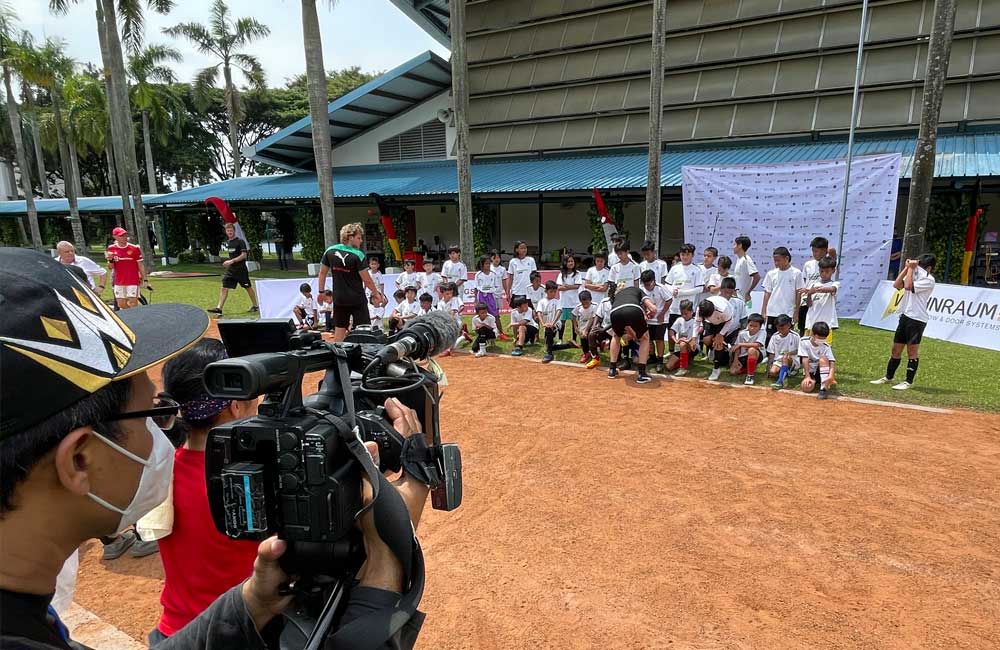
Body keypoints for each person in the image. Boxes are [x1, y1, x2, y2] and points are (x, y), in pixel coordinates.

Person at [0, 249, 428, 650]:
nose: (163, 431)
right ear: (80, 460)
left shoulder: (23, 614)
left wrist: (252, 602)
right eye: (154, 414)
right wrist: (386, 560)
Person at [151, 339, 261, 645]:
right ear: (235, 407)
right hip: (238, 634)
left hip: (175, 635)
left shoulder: (160, 471)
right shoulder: (254, 478)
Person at [870, 254, 937, 390]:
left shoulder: (929, 280)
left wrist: (911, 269)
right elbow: (897, 284)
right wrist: (906, 268)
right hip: (905, 315)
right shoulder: (913, 273)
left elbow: (908, 286)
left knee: (912, 351)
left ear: (929, 268)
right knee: (896, 349)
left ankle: (908, 381)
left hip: (917, 319)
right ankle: (888, 377)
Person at [317, 223, 386, 342]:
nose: (361, 241)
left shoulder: (330, 251)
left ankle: (337, 351)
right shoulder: (358, 255)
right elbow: (367, 280)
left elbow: (322, 273)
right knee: (364, 331)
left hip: (339, 298)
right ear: (350, 237)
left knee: (339, 330)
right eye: (359, 238)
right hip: (356, 299)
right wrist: (376, 293)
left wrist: (321, 292)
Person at [606, 286, 657, 383]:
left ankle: (612, 370)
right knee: (645, 338)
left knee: (616, 336)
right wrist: (652, 313)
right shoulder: (637, 290)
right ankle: (642, 373)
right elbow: (653, 308)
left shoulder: (618, 296)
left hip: (614, 312)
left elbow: (625, 317)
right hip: (633, 309)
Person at [208, 223, 259, 316]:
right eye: (228, 231)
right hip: (231, 270)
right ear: (226, 232)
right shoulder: (228, 242)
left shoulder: (240, 241)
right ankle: (219, 308)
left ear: (234, 231)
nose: (229, 232)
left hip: (241, 270)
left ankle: (255, 306)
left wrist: (231, 261)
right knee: (224, 287)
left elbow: (244, 255)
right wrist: (229, 263)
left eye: (231, 230)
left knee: (247, 287)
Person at [760, 246, 805, 345]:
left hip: (787, 312)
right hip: (772, 311)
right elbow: (767, 293)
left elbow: (799, 293)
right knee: (770, 337)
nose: (776, 263)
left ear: (786, 258)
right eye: (775, 261)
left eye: (778, 260)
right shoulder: (771, 274)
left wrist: (796, 311)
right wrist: (764, 310)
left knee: (787, 338)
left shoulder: (797, 273)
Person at [664, 243, 702, 353]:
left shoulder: (697, 270)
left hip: (688, 306)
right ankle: (671, 351)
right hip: (674, 306)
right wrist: (672, 290)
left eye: (687, 254)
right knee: (672, 328)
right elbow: (667, 283)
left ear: (692, 255)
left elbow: (700, 288)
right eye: (682, 254)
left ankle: (689, 351)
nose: (685, 257)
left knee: (689, 329)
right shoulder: (675, 268)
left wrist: (682, 293)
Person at [106, 227, 150, 310]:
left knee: (133, 302)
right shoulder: (111, 248)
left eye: (125, 235)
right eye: (121, 236)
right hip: (119, 281)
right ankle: (133, 314)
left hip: (132, 280)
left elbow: (140, 265)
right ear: (115, 237)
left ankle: (134, 316)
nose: (124, 237)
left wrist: (145, 279)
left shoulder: (134, 248)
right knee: (121, 304)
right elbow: (110, 267)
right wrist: (110, 260)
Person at [697, 295, 739, 382]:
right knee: (706, 340)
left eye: (709, 315)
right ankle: (712, 349)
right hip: (709, 323)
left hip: (723, 322)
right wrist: (694, 337)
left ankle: (716, 369)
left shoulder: (724, 309)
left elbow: (729, 321)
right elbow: (696, 322)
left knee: (718, 343)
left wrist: (720, 334)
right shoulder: (701, 309)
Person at [537, 280, 577, 363]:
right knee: (549, 345)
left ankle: (549, 354)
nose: (553, 293)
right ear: (546, 291)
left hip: (556, 325)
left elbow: (559, 311)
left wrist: (553, 323)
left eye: (554, 292)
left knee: (549, 332)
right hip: (546, 325)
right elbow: (539, 313)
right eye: (551, 291)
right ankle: (568, 345)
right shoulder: (541, 302)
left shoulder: (557, 301)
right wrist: (543, 324)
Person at [639, 270, 671, 372]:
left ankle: (660, 361)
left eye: (649, 284)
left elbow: (669, 300)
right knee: (648, 339)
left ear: (653, 280)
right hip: (648, 319)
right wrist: (644, 313)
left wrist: (662, 314)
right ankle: (652, 356)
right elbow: (641, 302)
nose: (647, 287)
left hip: (660, 319)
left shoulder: (661, 288)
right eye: (645, 284)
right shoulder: (641, 288)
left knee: (659, 339)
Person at [803, 256, 839, 339]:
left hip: (826, 324)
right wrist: (809, 294)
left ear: (833, 271)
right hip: (811, 322)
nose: (824, 274)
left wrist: (814, 290)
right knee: (809, 344)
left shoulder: (835, 284)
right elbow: (809, 304)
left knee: (824, 345)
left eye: (827, 272)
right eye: (822, 271)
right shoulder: (814, 285)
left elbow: (831, 289)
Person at [799, 321, 837, 399]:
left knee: (823, 359)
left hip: (821, 369)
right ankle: (814, 380)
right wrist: (807, 376)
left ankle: (823, 388)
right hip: (809, 369)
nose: (821, 340)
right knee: (806, 388)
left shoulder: (826, 347)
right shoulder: (803, 342)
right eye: (819, 338)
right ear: (812, 334)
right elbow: (805, 359)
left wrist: (831, 376)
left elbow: (832, 362)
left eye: (824, 338)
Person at [799, 237, 829, 336]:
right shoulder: (808, 264)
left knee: (818, 328)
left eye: (817, 251)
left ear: (824, 250)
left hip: (820, 301)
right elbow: (804, 281)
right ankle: (803, 343)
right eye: (813, 251)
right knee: (803, 326)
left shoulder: (829, 263)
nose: (814, 254)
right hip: (806, 300)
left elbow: (832, 250)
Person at [730, 313, 766, 385]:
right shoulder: (742, 333)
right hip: (743, 355)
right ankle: (749, 368)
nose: (752, 328)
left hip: (757, 354)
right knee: (733, 372)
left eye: (755, 326)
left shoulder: (762, 332)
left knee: (751, 350)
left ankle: (750, 376)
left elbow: (757, 345)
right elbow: (737, 348)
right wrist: (735, 360)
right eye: (751, 325)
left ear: (760, 327)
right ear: (747, 324)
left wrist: (740, 344)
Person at [767, 314, 801, 389]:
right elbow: (771, 353)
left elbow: (799, 350)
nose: (780, 331)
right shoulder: (774, 336)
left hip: (792, 360)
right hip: (779, 360)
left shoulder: (795, 336)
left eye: (782, 328)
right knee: (772, 372)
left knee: (785, 358)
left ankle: (780, 382)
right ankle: (786, 372)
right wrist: (768, 367)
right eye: (778, 328)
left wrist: (789, 353)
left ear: (789, 325)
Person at [584, 286, 615, 369]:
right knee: (591, 335)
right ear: (609, 294)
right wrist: (594, 327)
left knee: (617, 356)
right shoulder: (604, 302)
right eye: (611, 294)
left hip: (616, 331)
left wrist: (603, 329)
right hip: (604, 328)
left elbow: (617, 321)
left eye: (614, 295)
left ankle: (617, 358)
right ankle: (595, 358)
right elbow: (598, 315)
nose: (613, 296)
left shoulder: (621, 303)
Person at [665, 299, 698, 376]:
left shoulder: (695, 321)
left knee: (683, 344)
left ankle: (683, 367)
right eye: (682, 313)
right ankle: (685, 360)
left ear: (692, 311)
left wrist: (687, 341)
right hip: (681, 347)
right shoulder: (679, 320)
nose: (684, 316)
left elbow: (698, 332)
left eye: (686, 313)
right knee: (668, 367)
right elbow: (671, 331)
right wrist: (676, 340)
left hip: (693, 347)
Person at [556, 254, 583, 342]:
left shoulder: (577, 274)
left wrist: (567, 286)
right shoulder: (561, 274)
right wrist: (570, 286)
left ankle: (574, 339)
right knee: (562, 321)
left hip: (574, 303)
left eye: (572, 261)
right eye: (568, 261)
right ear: (565, 263)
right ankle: (560, 339)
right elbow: (559, 287)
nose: (571, 263)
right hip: (564, 302)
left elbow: (577, 286)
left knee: (574, 322)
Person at [435, 283, 465, 355]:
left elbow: (452, 313)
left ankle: (447, 349)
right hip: (445, 323)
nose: (450, 295)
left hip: (455, 323)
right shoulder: (440, 303)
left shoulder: (454, 300)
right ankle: (463, 337)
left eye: (451, 293)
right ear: (442, 293)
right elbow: (440, 315)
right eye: (447, 294)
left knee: (449, 339)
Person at [506, 241, 536, 305]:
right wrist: (508, 292)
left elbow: (534, 276)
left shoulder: (531, 260)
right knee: (517, 310)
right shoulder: (513, 262)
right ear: (516, 249)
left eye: (525, 248)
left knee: (530, 310)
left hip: (529, 291)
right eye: (522, 248)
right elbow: (510, 278)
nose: (524, 250)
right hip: (517, 291)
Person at [732, 235, 760, 305]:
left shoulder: (746, 259)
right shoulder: (739, 259)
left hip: (741, 298)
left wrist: (748, 292)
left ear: (740, 245)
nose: (733, 247)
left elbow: (757, 276)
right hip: (736, 296)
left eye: (734, 244)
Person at [574, 290, 599, 365]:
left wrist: (586, 330)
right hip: (582, 327)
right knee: (583, 338)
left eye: (587, 302)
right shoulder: (578, 307)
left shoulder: (595, 306)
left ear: (590, 300)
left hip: (592, 326)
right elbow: (573, 315)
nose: (585, 304)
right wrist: (575, 326)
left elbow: (593, 318)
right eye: (583, 303)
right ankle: (586, 353)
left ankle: (595, 352)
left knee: (590, 337)